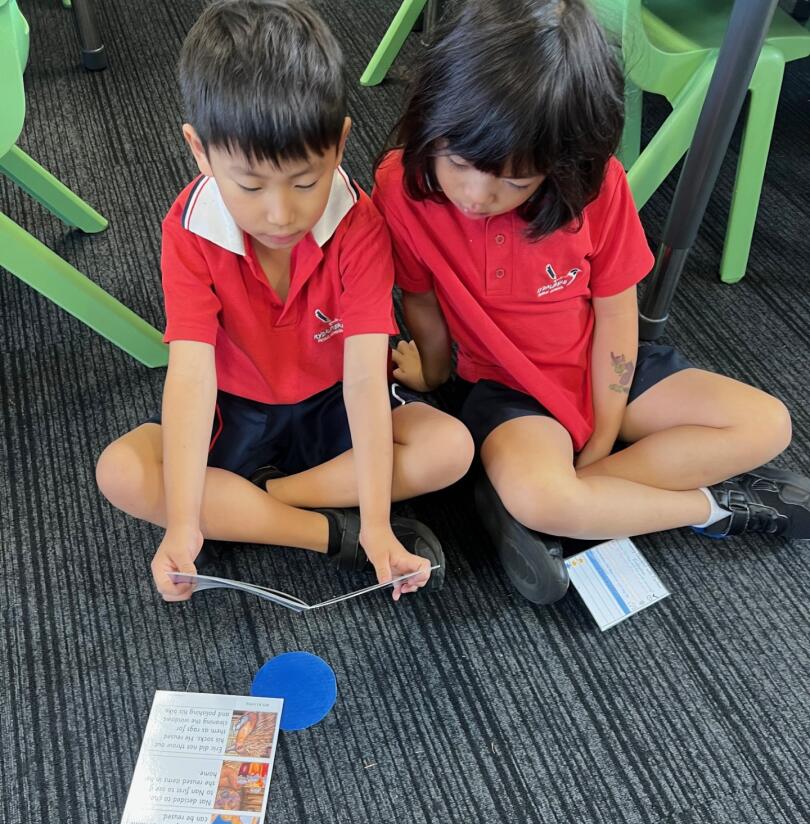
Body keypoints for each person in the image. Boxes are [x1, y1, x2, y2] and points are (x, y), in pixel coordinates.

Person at [372, 0, 810, 605]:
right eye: (460, 163)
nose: (475, 195)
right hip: (508, 389)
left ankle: (558, 512)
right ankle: (710, 508)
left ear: (562, 163)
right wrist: (434, 371)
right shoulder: (401, 184)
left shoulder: (597, 186)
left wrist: (602, 435)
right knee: (542, 495)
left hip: (602, 362)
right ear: (432, 119)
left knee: (769, 423)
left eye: (515, 181)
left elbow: (617, 314)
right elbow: (419, 298)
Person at [96, 0, 474, 602]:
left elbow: (364, 381)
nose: (281, 214)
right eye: (250, 185)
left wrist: (379, 523)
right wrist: (184, 524)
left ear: (340, 143)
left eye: (305, 182)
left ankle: (264, 502)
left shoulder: (359, 224)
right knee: (120, 471)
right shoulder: (188, 230)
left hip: (333, 406)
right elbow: (191, 376)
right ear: (199, 151)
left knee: (450, 448)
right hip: (237, 411)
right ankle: (327, 534)